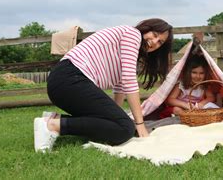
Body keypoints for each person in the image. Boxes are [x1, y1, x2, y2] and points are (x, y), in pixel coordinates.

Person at [34, 18, 173, 152]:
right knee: (125, 129)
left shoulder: (132, 50)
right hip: (70, 79)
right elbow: (129, 81)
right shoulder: (133, 34)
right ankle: (52, 125)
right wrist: (140, 124)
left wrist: (116, 116)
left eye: (160, 42)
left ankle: (55, 119)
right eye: (154, 35)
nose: (154, 42)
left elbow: (119, 86)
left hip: (65, 81)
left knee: (122, 125)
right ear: (146, 29)